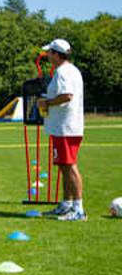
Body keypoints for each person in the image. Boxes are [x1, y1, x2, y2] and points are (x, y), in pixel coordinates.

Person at [38, 39, 86, 221]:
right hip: (63, 127)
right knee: (64, 167)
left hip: (66, 127)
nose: (48, 56)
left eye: (50, 53)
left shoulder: (63, 71)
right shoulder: (68, 70)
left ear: (57, 54)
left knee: (70, 166)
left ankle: (78, 209)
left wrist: (47, 102)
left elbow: (67, 96)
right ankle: (67, 204)